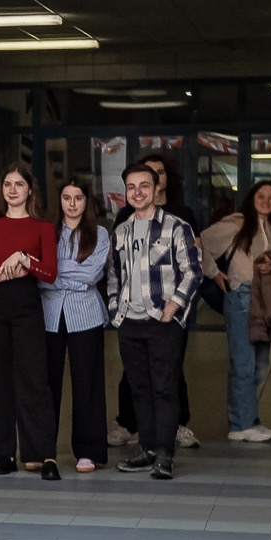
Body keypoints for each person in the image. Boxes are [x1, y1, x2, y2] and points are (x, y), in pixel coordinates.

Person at [106, 162, 202, 481]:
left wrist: (174, 306)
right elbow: (112, 275)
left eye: (144, 186)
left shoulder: (176, 227)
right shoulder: (120, 231)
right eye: (131, 187)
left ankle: (164, 454)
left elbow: (193, 270)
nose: (137, 192)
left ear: (157, 187)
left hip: (163, 321)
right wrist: (114, 310)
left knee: (164, 388)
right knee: (140, 389)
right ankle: (146, 449)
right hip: (129, 322)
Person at [0, 166, 59, 479]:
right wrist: (0, 273)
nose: (12, 189)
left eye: (19, 184)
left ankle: (43, 454)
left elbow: (50, 272)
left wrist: (23, 259)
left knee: (34, 381)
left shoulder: (42, 228)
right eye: (7, 184)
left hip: (27, 310)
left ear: (30, 190)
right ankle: (2, 453)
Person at [199, 182, 271, 442]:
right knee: (243, 364)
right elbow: (199, 243)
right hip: (241, 297)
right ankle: (239, 424)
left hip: (266, 300)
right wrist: (213, 272)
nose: (266, 201)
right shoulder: (237, 223)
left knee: (260, 365)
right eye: (260, 196)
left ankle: (251, 419)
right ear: (250, 198)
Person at [41, 179, 109, 473]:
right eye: (66, 197)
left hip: (86, 315)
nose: (71, 203)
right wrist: (63, 272)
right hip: (49, 314)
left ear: (86, 201)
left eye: (78, 197)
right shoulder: (46, 232)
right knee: (47, 384)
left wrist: (55, 271)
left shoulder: (100, 234)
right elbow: (39, 275)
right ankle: (43, 449)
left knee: (87, 383)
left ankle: (88, 450)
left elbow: (92, 274)